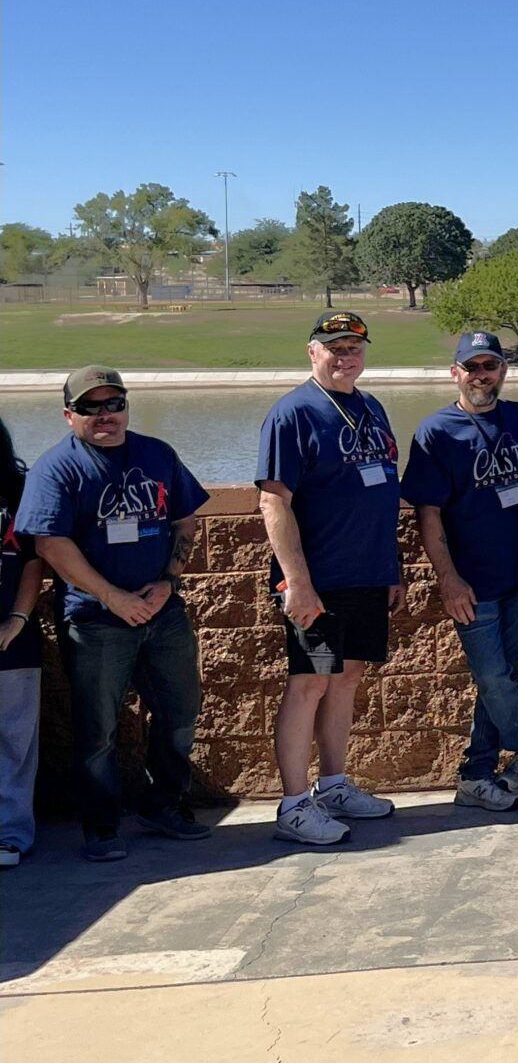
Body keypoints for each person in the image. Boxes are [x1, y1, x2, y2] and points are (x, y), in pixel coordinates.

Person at [18, 368, 210, 860]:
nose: (105, 415)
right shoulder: (55, 468)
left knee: (180, 711)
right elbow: (50, 544)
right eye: (91, 407)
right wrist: (112, 597)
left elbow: (184, 518)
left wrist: (168, 581)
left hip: (163, 613)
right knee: (97, 730)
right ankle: (101, 828)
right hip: (95, 621)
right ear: (69, 415)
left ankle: (164, 804)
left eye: (114, 403)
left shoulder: (157, 454)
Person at [257, 312, 403, 845]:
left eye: (354, 348)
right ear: (312, 351)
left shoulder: (371, 407)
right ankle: (294, 805)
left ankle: (334, 785)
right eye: (334, 348)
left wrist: (391, 567)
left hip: (367, 573)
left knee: (347, 678)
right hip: (317, 581)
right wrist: (296, 582)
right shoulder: (292, 413)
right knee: (310, 682)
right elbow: (273, 502)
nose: (346, 357)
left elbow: (381, 492)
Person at [400, 331, 518, 813]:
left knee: (502, 677)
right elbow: (428, 514)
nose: (481, 375)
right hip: (472, 583)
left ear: (503, 370)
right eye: (472, 367)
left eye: (490, 366)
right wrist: (448, 578)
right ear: (455, 373)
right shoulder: (436, 432)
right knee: (491, 677)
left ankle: (475, 775)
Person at [0, 417, 50, 866]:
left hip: (12, 638)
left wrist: (17, 618)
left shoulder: (19, 489)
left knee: (15, 741)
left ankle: (10, 835)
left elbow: (35, 559)